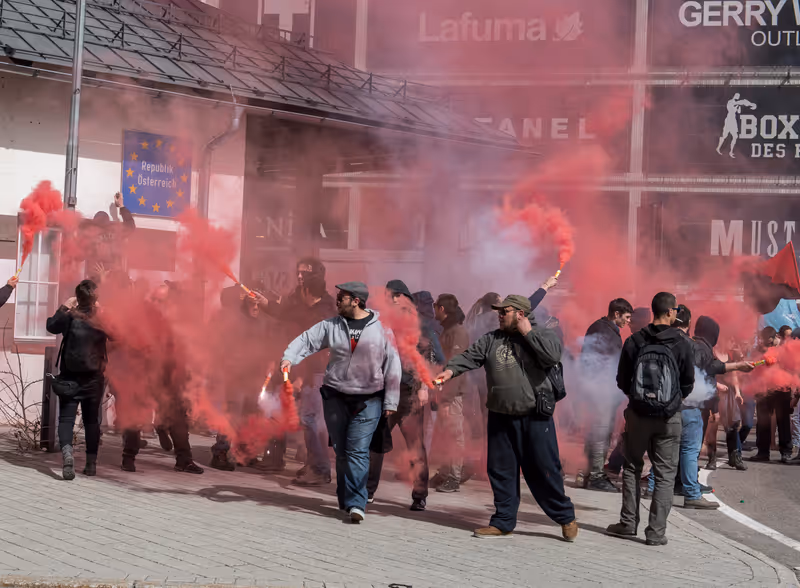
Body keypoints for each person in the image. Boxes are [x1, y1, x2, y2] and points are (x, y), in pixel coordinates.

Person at [434, 295, 578, 541]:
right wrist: (449, 371)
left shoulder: (544, 335)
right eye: (499, 312)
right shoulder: (492, 339)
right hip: (500, 416)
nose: (499, 315)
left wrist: (528, 333)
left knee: (544, 470)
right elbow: (470, 356)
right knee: (501, 470)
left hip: (534, 417)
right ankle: (503, 521)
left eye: (505, 312)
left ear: (521, 314)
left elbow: (552, 356)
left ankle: (565, 517)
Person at [281, 282, 401, 523]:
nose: (337, 300)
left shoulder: (382, 329)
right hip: (335, 396)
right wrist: (289, 358)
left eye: (342, 297)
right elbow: (307, 340)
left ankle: (357, 502)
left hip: (368, 399)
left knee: (357, 450)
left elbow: (393, 364)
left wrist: (391, 400)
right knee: (341, 450)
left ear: (356, 301)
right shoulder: (331, 325)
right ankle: (345, 498)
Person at [607, 292, 694, 546]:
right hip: (669, 417)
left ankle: (627, 523)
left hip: (638, 415)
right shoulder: (683, 343)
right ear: (670, 312)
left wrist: (639, 399)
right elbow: (688, 383)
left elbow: (622, 380)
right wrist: (671, 400)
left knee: (632, 467)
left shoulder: (634, 340)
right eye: (676, 310)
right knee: (665, 474)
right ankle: (656, 533)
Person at [255, 258, 336, 484]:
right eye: (298, 272)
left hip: (313, 372)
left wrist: (302, 376)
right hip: (291, 366)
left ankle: (319, 469)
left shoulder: (325, 309)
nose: (299, 277)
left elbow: (316, 348)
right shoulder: (298, 300)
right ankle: (296, 461)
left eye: (305, 273)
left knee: (311, 420)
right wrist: (265, 303)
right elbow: (285, 316)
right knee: (285, 413)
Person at [366, 280, 443, 511]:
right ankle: (367, 491)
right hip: (386, 392)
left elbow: (432, 357)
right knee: (377, 442)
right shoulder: (383, 322)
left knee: (415, 446)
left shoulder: (420, 324)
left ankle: (419, 495)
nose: (389, 299)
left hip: (410, 394)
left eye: (393, 295)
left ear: (402, 297)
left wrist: (424, 387)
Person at [679, 315, 754, 510]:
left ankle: (679, 484)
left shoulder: (691, 345)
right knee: (689, 450)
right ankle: (690, 492)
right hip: (691, 405)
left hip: (689, 403)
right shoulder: (700, 347)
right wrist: (735, 368)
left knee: (679, 449)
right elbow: (704, 371)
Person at [46, 280, 109, 480]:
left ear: (77, 298)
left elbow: (51, 326)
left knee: (66, 419)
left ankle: (67, 454)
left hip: (69, 377)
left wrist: (64, 306)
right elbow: (118, 335)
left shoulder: (69, 316)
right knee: (91, 421)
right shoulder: (102, 318)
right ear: (95, 298)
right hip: (93, 378)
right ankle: (91, 464)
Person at [581, 298, 633, 492]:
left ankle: (589, 473)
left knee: (598, 432)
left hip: (601, 390)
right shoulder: (604, 330)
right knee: (600, 433)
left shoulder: (602, 328)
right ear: (616, 314)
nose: (628, 321)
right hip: (601, 391)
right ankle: (595, 476)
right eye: (627, 317)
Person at [605, 307, 652, 477]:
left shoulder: (636, 341)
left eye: (633, 320)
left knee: (636, 434)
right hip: (640, 396)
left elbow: (624, 373)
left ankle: (618, 465)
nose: (629, 323)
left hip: (640, 396)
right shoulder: (646, 340)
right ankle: (616, 464)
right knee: (632, 433)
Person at [429, 293, 470, 493]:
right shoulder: (447, 330)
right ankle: (444, 472)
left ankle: (454, 477)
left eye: (435, 306)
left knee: (454, 435)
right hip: (444, 392)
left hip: (452, 394)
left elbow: (456, 368)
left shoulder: (458, 333)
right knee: (444, 435)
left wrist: (446, 399)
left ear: (442, 309)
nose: (434, 310)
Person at [750, 326, 792, 462]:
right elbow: (754, 366)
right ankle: (763, 452)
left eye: (768, 342)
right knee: (763, 422)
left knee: (783, 421)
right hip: (764, 390)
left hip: (782, 389)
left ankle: (786, 452)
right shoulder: (759, 349)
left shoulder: (785, 349)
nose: (765, 344)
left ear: (773, 338)